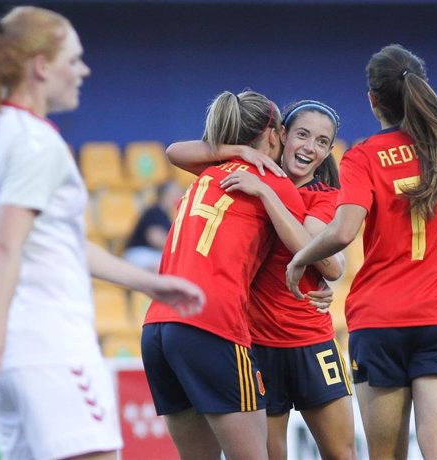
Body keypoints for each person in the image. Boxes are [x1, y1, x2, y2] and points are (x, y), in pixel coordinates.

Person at [0, 7, 205, 460]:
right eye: (74, 59)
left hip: (19, 355)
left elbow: (52, 241)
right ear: (42, 67)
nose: (83, 70)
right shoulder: (36, 143)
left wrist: (149, 282)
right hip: (51, 348)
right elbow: (6, 247)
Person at [286, 44, 437, 460]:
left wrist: (300, 258)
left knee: (385, 455)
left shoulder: (363, 156)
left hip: (381, 322)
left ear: (372, 99)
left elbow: (342, 232)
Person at [166, 100, 356, 460]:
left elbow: (323, 258)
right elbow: (175, 152)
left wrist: (266, 194)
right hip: (256, 344)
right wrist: (238, 150)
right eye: (301, 135)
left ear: (329, 150)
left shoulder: (325, 197)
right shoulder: (242, 174)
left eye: (321, 141)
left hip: (310, 341)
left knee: (341, 454)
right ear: (281, 135)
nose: (309, 147)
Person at [141, 90, 310, 460]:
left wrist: (234, 151)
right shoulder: (272, 181)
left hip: (157, 329)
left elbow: (173, 151)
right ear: (272, 134)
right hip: (211, 326)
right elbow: (310, 254)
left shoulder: (206, 174)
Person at [123, 180, 183, 272]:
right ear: (166, 194)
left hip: (149, 254)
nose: (180, 195)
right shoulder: (154, 212)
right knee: (168, 266)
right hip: (138, 253)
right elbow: (155, 238)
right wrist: (179, 248)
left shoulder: (164, 214)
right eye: (176, 193)